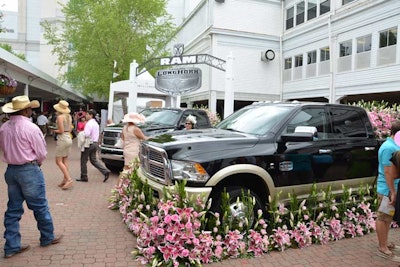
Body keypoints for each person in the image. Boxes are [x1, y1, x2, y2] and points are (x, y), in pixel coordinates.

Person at [0, 95, 63, 259]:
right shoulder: (31, 128)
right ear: (27, 110)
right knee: (40, 206)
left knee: (13, 209)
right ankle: (47, 237)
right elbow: (41, 152)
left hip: (11, 170)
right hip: (29, 169)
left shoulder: (4, 127)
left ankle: (11, 246)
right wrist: (37, 163)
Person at [376, 120, 400, 262]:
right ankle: (382, 246)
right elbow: (388, 172)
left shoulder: (394, 145)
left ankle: (385, 242)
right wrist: (392, 191)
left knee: (388, 217)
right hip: (387, 189)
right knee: (383, 217)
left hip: (392, 188)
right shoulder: (388, 148)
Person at [76, 109, 111, 183]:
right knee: (93, 160)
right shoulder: (96, 123)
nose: (86, 115)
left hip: (88, 144)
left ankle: (84, 176)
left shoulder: (89, 124)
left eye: (87, 114)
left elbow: (87, 134)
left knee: (83, 160)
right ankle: (105, 171)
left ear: (91, 115)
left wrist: (81, 133)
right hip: (95, 143)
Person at [52, 100, 74, 190]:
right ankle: (65, 179)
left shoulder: (60, 117)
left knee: (58, 161)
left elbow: (60, 130)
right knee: (65, 159)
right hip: (68, 137)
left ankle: (68, 179)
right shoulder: (69, 116)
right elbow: (70, 129)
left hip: (62, 138)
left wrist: (54, 130)